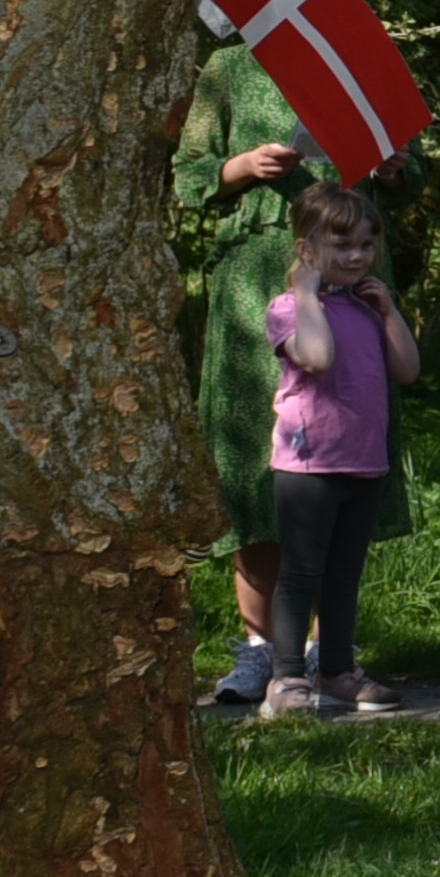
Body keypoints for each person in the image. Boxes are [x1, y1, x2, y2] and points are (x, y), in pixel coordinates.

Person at [171, 39, 317, 707]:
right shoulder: (229, 68)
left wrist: (397, 166)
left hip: (342, 282)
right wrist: (241, 166)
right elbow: (188, 177)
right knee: (254, 459)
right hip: (251, 283)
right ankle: (259, 649)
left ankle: (321, 649)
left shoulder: (353, 63)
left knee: (330, 464)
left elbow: (410, 169)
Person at [258, 185, 417, 718]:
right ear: (306, 250)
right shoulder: (287, 309)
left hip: (363, 459)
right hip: (309, 465)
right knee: (302, 571)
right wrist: (306, 292)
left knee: (345, 572)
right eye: (341, 244)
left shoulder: (370, 309)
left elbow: (407, 369)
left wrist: (389, 310)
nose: (356, 256)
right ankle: (286, 679)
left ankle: (337, 671)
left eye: (367, 245)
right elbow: (318, 357)